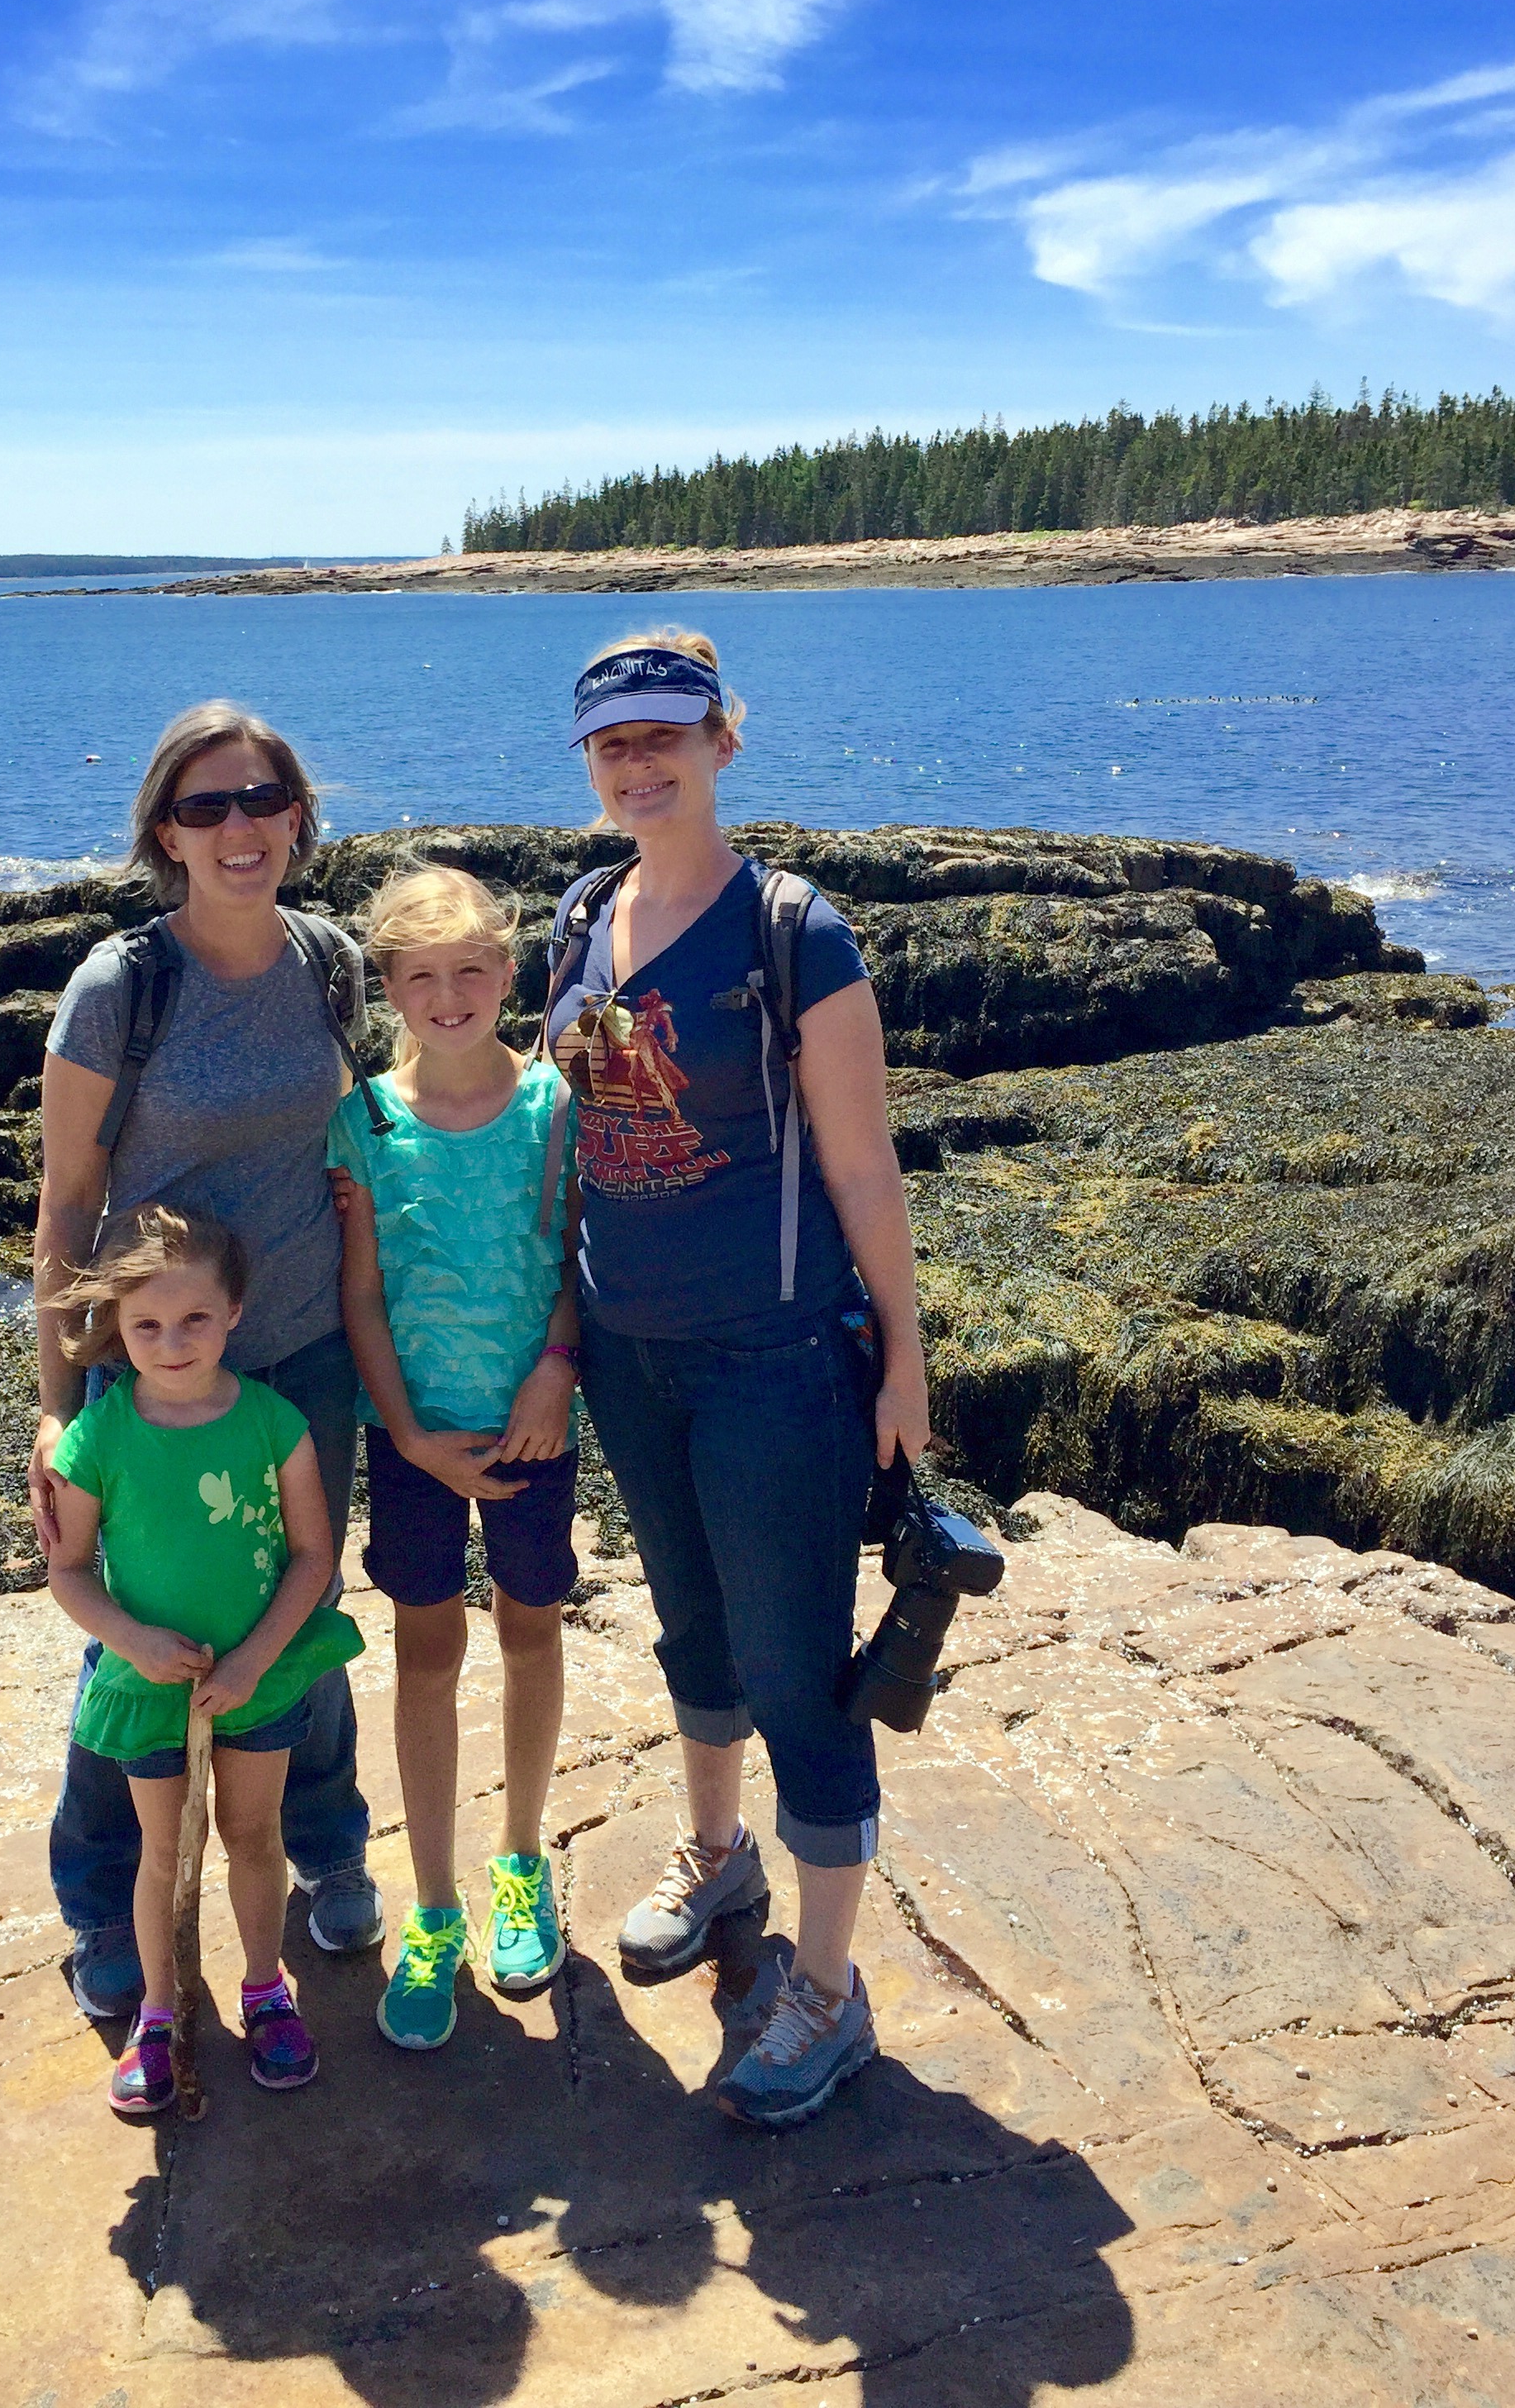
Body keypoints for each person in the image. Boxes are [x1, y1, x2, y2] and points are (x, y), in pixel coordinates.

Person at [544, 627, 932, 2131]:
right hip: (627, 1352)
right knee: (690, 1627)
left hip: (774, 1358)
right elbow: (565, 1135)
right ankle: (719, 1861)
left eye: (664, 735)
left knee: (793, 1669)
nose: (638, 764)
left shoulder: (794, 930)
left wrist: (903, 1357)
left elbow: (861, 1160)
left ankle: (827, 1992)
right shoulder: (584, 914)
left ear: (721, 741)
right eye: (612, 745)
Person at [31, 702, 382, 2023]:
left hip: (302, 1358)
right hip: (154, 1374)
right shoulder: (121, 989)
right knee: (133, 1648)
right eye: (205, 806)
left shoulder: (331, 962)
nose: (239, 826)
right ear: (165, 835)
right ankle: (103, 1905)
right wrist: (57, 1411)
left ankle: (329, 1848)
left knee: (304, 1612)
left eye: (262, 799)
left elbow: (362, 1140)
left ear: (299, 818)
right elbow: (66, 1209)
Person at [330, 866, 581, 2050]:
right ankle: (433, 1904)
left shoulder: (556, 1106)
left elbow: (576, 1260)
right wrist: (410, 1435)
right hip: (412, 1439)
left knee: (532, 1628)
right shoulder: (365, 1123)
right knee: (426, 1652)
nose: (449, 995)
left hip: (534, 1427)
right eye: (421, 976)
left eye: (471, 969)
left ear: (509, 971)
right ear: (388, 988)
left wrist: (556, 1370)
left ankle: (521, 1862)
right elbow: (361, 1298)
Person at [45, 1205, 361, 2113]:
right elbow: (68, 1572)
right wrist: (133, 1642)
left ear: (235, 1314)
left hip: (256, 1682)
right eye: (146, 1325)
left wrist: (255, 1660)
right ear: (117, 1326)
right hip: (149, 1689)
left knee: (252, 1836)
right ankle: (158, 2013)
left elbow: (314, 1557)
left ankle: (266, 1990)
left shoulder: (274, 1423)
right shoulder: (96, 1438)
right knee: (163, 1850)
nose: (172, 1342)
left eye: (194, 1319)